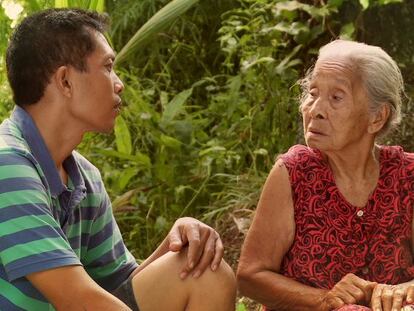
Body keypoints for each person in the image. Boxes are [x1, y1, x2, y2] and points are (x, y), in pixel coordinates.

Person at [0, 8, 236, 311]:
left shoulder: (83, 177)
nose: (119, 83)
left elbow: (118, 289)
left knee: (201, 272)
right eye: (108, 67)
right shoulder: (7, 164)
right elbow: (79, 301)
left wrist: (174, 245)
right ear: (66, 81)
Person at [237, 39, 414, 311]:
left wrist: (405, 290)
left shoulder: (406, 176)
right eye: (312, 93)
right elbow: (250, 277)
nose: (315, 110)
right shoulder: (295, 172)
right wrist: (324, 299)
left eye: (336, 97)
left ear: (377, 117)